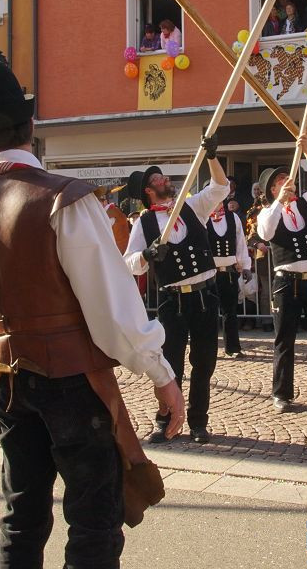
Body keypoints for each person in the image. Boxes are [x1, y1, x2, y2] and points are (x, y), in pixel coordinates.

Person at [0, 61, 184, 567]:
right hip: (70, 381)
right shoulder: (64, 200)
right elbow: (113, 308)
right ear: (31, 128)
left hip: (6, 380)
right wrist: (161, 376)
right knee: (95, 517)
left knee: (22, 517)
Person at [124, 144, 227, 444]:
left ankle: (198, 422)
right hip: (173, 300)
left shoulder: (191, 205)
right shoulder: (144, 223)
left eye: (162, 176)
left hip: (205, 296)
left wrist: (211, 157)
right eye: (156, 179)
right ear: (147, 191)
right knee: (171, 363)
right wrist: (148, 253)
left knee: (204, 361)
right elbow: (129, 263)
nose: (163, 179)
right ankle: (165, 419)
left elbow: (220, 187)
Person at [255, 136, 307, 412]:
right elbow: (265, 232)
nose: (285, 183)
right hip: (286, 284)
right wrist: (278, 200)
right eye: (279, 181)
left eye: (285, 178)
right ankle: (281, 393)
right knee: (284, 340)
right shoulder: (268, 213)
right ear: (271, 190)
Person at [207, 201, 252, 358]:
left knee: (230, 311)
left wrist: (246, 265)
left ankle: (232, 348)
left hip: (229, 272)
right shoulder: (202, 217)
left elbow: (241, 243)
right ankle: (209, 349)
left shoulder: (233, 218)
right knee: (208, 313)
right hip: (209, 273)